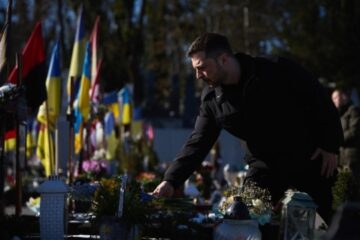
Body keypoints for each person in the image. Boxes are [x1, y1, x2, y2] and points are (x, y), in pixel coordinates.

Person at [152, 32, 343, 223]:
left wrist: (329, 143)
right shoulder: (212, 101)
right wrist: (171, 180)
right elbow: (198, 142)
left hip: (308, 158)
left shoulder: (276, 69)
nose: (198, 75)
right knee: (242, 221)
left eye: (202, 68)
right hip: (264, 169)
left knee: (332, 223)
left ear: (224, 59)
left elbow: (318, 98)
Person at [331, 89, 360, 188]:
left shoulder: (354, 110)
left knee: (352, 188)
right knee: (342, 190)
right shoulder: (338, 114)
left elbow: (354, 131)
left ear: (344, 97)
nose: (335, 100)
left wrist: (337, 139)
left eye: (336, 97)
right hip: (341, 159)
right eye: (333, 98)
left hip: (351, 158)